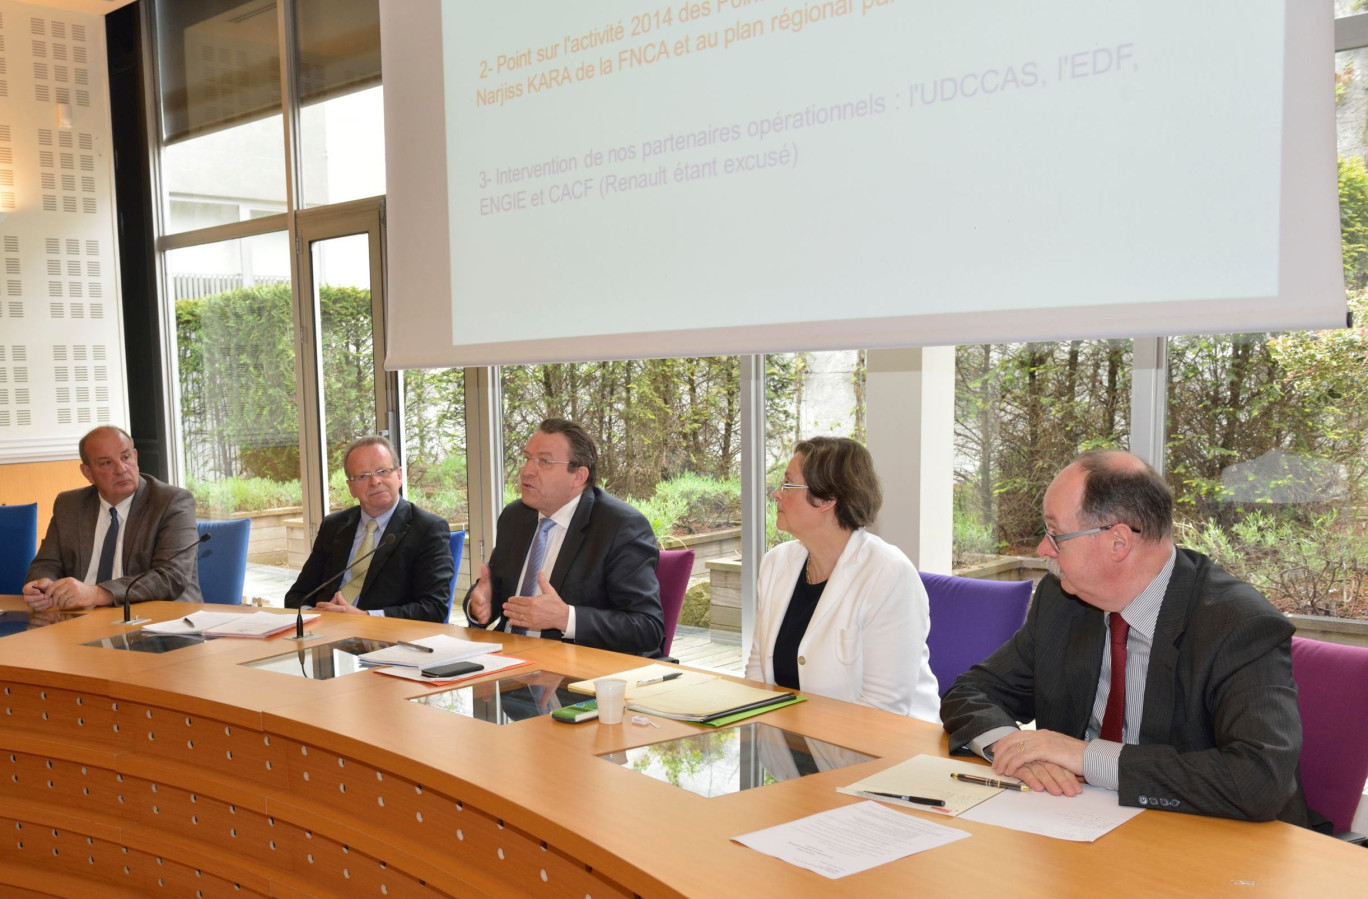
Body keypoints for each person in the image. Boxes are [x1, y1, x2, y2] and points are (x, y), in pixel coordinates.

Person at [941, 449, 1307, 824]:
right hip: (1078, 822)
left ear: (1118, 541)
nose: (1043, 549)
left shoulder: (1238, 624)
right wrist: (1015, 749)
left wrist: (1086, 757)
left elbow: (1260, 780)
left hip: (1209, 844)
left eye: (1055, 533)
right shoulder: (1063, 598)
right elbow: (972, 691)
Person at [745, 436, 940, 722]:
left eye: (788, 484)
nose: (776, 493)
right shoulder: (776, 563)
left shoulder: (888, 573)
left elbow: (882, 708)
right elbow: (757, 676)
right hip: (793, 751)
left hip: (888, 752)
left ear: (827, 499)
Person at [463, 418, 664, 656]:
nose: (526, 470)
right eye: (527, 458)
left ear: (578, 476)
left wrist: (566, 618)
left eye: (544, 462)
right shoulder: (515, 516)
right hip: (506, 660)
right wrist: (479, 604)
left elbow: (647, 628)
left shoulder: (620, 527)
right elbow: (494, 588)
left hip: (574, 672)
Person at [24, 425, 202, 609]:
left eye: (125, 457)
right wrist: (43, 584)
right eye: (106, 463)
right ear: (88, 473)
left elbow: (171, 577)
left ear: (135, 457)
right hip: (81, 618)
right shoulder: (69, 505)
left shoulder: (171, 502)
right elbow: (46, 564)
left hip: (155, 619)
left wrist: (99, 593)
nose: (121, 469)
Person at [285, 436, 453, 622]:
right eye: (362, 476)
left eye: (382, 471)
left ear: (398, 475)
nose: (374, 481)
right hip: (326, 635)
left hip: (385, 640)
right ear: (351, 488)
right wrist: (313, 616)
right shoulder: (333, 526)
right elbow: (297, 596)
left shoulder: (427, 528)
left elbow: (434, 608)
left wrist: (365, 617)